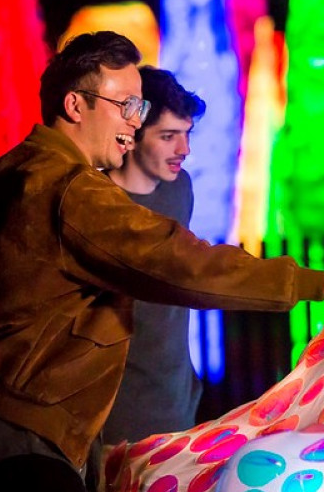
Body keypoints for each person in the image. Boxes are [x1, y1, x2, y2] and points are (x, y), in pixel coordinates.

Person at [0, 30, 324, 492]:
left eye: (139, 106)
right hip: (26, 446)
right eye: (125, 105)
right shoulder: (70, 190)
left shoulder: (2, 176)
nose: (133, 120)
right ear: (75, 105)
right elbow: (181, 262)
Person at [100, 65, 206, 445]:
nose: (185, 149)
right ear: (133, 136)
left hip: (177, 399)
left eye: (187, 135)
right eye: (168, 136)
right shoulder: (95, 202)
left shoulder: (180, 189)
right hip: (114, 415)